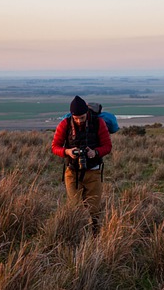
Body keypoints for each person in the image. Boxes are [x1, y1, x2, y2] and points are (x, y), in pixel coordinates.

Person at [51, 95, 112, 234]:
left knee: (94, 209)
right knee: (75, 207)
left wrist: (95, 152)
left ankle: (95, 235)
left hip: (93, 172)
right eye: (76, 118)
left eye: (82, 118)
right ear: (72, 115)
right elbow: (54, 147)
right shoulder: (65, 124)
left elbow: (108, 146)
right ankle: (77, 234)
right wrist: (67, 151)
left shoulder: (98, 123)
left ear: (87, 113)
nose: (79, 121)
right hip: (72, 172)